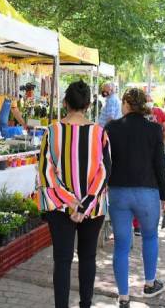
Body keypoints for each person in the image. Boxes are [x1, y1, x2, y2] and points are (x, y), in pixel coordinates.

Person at [37, 80, 111, 308]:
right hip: (93, 208)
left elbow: (45, 172)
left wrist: (71, 203)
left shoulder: (52, 131)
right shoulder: (100, 133)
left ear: (65, 103)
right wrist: (84, 204)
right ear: (88, 104)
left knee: (62, 260)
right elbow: (105, 171)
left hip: (59, 208)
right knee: (88, 257)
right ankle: (86, 304)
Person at [106, 88, 165, 307]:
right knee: (150, 237)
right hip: (147, 192)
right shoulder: (154, 129)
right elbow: (160, 166)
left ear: (125, 103)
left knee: (121, 245)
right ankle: (150, 284)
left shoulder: (111, 127)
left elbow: (105, 162)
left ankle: (123, 297)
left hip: (118, 193)